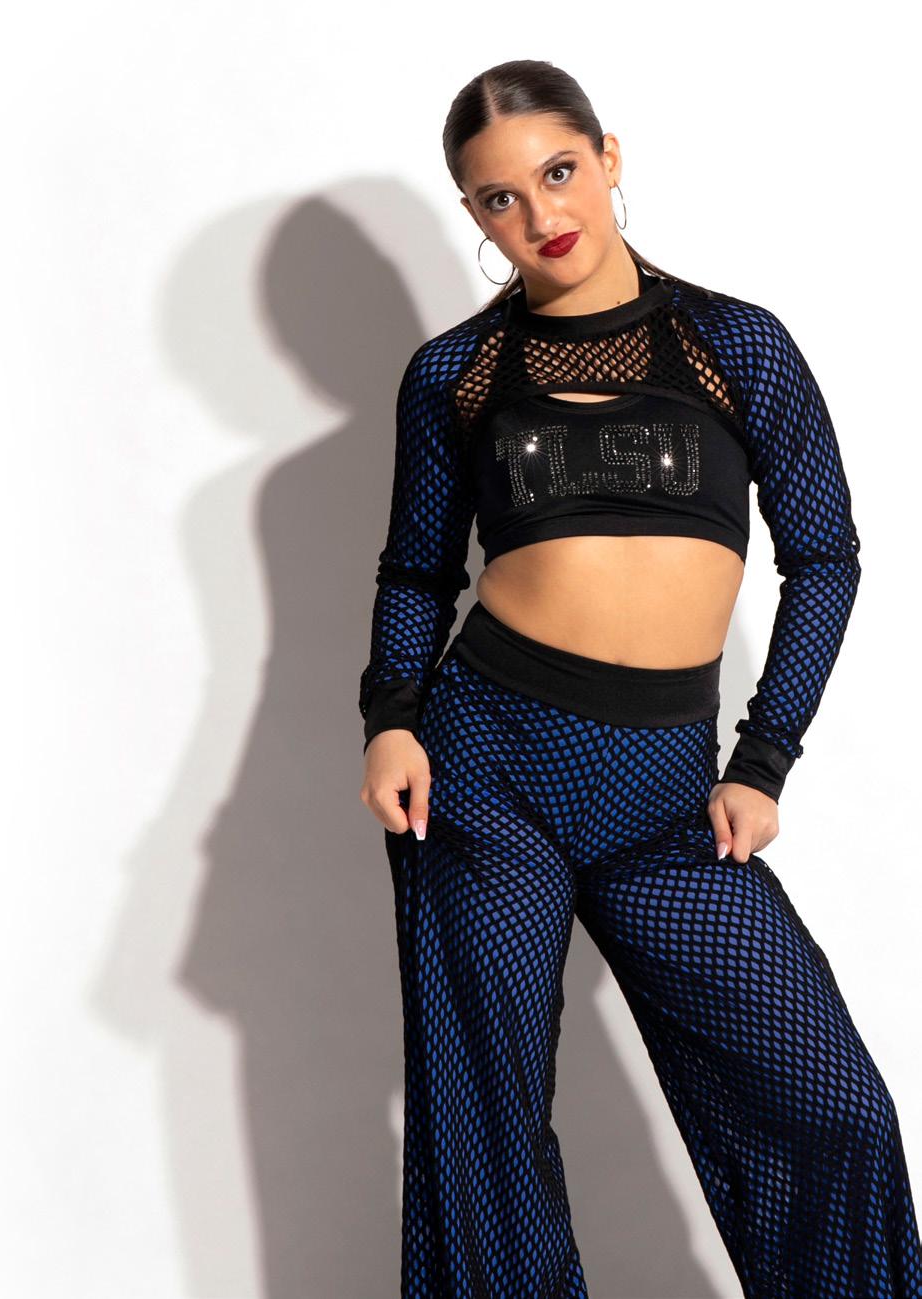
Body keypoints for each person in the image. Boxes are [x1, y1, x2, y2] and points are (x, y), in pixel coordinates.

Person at [357, 58, 922, 1298]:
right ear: (474, 215)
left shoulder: (734, 344)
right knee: (486, 1125)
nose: (541, 215)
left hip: (669, 795)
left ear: (610, 158)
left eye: (560, 172)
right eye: (500, 199)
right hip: (487, 766)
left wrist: (764, 760)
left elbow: (825, 556)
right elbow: (416, 572)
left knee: (834, 1107)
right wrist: (390, 719)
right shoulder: (455, 373)